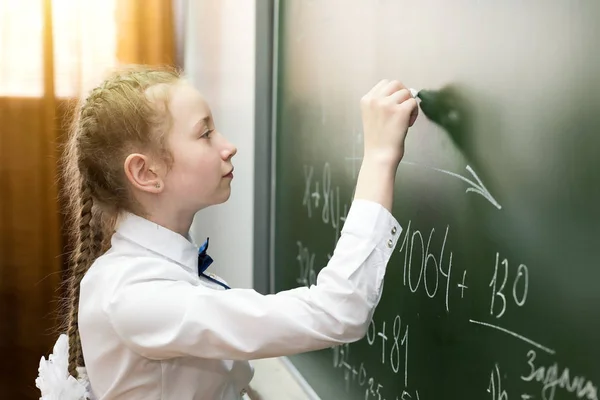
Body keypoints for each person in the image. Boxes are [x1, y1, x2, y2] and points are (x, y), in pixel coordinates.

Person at [35, 65, 418, 399]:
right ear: (146, 173)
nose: (228, 147)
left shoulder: (153, 269)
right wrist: (380, 157)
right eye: (205, 134)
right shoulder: (134, 295)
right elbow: (340, 310)